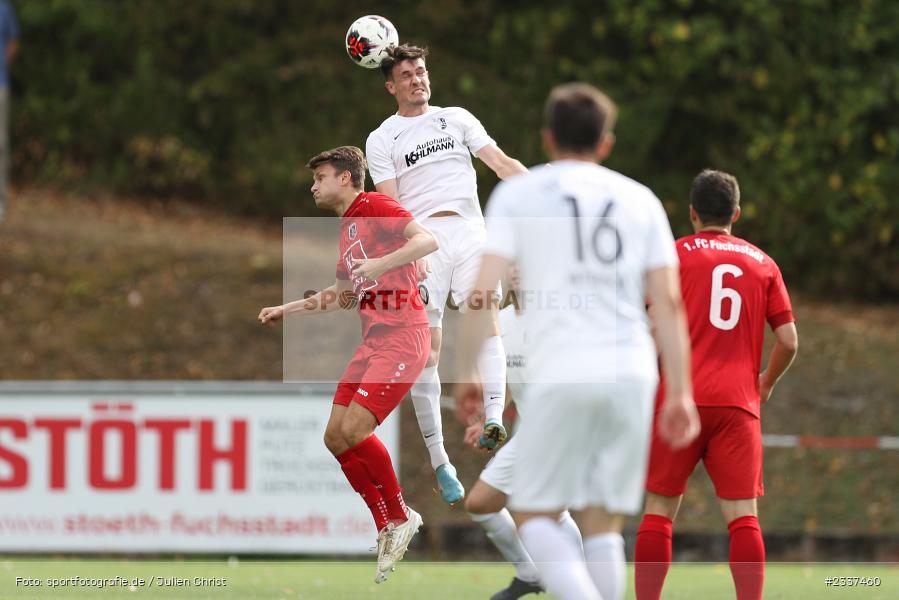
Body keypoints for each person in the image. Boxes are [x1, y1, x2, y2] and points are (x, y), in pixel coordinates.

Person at [455, 82, 700, 600]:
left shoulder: (518, 194)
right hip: (631, 372)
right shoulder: (641, 200)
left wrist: (469, 373)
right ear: (605, 143)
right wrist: (680, 391)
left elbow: (480, 296)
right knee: (601, 525)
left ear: (547, 139)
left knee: (530, 512)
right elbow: (670, 304)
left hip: (563, 371)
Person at [258, 146, 437, 584]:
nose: (312, 185)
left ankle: (400, 515)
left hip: (403, 336)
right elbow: (342, 297)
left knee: (356, 431)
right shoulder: (347, 229)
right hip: (374, 342)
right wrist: (289, 308)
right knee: (335, 438)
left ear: (344, 178)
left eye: (319, 176)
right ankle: (385, 525)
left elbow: (426, 240)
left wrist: (382, 262)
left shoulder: (374, 204)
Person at [366, 44, 529, 504]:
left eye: (421, 71)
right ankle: (441, 463)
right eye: (407, 75)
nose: (418, 79)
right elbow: (390, 205)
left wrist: (544, 192)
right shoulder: (383, 138)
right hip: (426, 241)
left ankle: (495, 415)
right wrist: (406, 249)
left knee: (485, 312)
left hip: (470, 228)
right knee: (428, 347)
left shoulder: (457, 117)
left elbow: (499, 163)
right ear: (391, 86)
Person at [634, 170, 799, 600]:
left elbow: (652, 328)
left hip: (677, 401)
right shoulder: (763, 263)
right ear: (736, 214)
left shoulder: (671, 257)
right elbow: (789, 340)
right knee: (743, 518)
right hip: (737, 404)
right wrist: (765, 383)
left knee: (659, 511)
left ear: (692, 213)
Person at [464, 268, 584, 600]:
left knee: (552, 511)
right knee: (480, 504)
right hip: (531, 433)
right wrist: (489, 417)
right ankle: (531, 574)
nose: (518, 273)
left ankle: (578, 587)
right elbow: (507, 376)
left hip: (562, 428)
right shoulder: (501, 320)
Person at [0, 0, 19, 222]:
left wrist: (5, 64)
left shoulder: (4, 7)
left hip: (0, 85)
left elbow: (13, 41)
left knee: (0, 143)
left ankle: (1, 200)